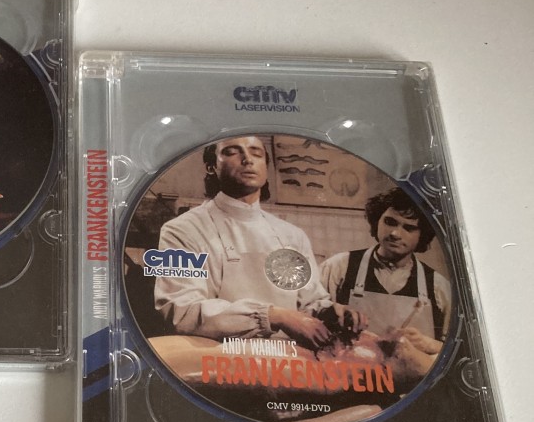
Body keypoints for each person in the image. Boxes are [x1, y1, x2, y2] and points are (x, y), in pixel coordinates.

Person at [152, 135, 363, 348]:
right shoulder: (182, 230)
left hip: (291, 359)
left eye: (256, 153)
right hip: (219, 359)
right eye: (232, 152)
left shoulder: (292, 235)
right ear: (211, 167)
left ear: (266, 167)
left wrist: (329, 311)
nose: (247, 159)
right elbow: (181, 311)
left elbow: (309, 301)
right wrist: (273, 316)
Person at [318, 187, 451, 349]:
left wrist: (431, 344)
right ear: (377, 222)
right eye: (390, 222)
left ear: (422, 235)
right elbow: (308, 317)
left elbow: (454, 350)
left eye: (409, 228)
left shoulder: (438, 286)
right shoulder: (338, 267)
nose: (395, 233)